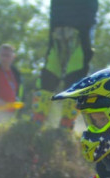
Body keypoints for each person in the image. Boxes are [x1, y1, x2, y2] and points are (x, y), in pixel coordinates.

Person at [31, 0, 99, 129]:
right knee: (54, 71)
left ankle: (64, 122)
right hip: (68, 22)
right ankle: (41, 119)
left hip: (73, 23)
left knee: (72, 73)